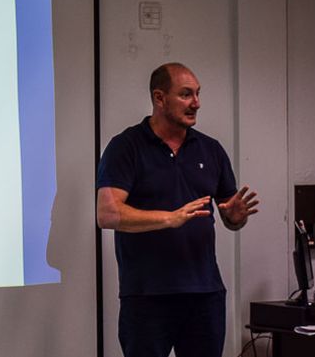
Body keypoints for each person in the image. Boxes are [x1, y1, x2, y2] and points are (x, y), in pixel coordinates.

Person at [96, 62, 258, 357]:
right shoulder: (126, 147)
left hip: (204, 294)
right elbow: (107, 213)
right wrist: (169, 218)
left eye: (197, 94)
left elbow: (230, 216)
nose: (196, 103)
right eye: (185, 94)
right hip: (147, 296)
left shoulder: (211, 149)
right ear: (159, 98)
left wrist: (235, 217)